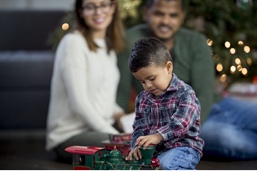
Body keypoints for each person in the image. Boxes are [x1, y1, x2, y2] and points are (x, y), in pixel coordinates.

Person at [117, 0, 257, 160]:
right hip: (176, 123)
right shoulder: (131, 41)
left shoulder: (195, 41)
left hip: (213, 105)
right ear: (145, 13)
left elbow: (204, 94)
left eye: (173, 15)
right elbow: (122, 92)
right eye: (158, 14)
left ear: (182, 17)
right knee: (227, 139)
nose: (165, 21)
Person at [46, 0, 126, 163]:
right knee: (128, 148)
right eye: (90, 6)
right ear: (80, 11)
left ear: (113, 7)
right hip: (69, 136)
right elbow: (80, 104)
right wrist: (117, 137)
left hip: (97, 130)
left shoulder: (107, 47)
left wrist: (121, 116)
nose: (98, 12)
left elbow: (103, 99)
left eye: (104, 4)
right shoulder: (73, 43)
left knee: (145, 141)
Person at [126, 37, 204, 170]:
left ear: (168, 67)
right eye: (142, 82)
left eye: (151, 78)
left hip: (183, 148)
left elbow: (182, 123)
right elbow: (139, 127)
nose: (148, 86)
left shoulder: (185, 93)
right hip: (155, 151)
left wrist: (158, 136)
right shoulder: (142, 99)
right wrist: (136, 146)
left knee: (165, 165)